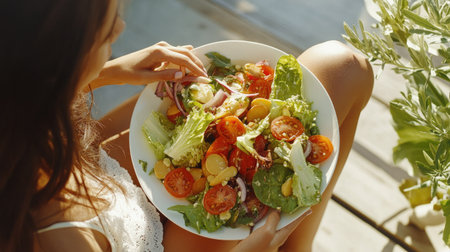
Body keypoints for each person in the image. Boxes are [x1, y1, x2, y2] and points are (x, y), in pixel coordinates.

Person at [0, 0, 373, 251]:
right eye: (109, 35)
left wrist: (106, 72)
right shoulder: (67, 242)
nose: (122, 28)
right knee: (346, 70)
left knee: (344, 64)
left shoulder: (18, 109)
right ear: (58, 62)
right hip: (132, 235)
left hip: (89, 168)